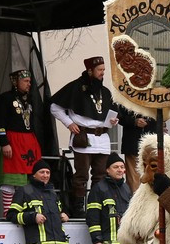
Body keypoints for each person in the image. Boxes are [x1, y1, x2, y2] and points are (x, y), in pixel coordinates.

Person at [50, 57, 119, 217]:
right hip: (83, 138)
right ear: (90, 71)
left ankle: (96, 206)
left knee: (100, 174)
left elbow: (112, 111)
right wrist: (68, 123)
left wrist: (114, 120)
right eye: (99, 70)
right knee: (81, 174)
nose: (103, 73)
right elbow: (54, 106)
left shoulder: (105, 91)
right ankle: (78, 208)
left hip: (102, 138)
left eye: (103, 69)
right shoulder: (75, 87)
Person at [0, 69, 42, 217]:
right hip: (13, 141)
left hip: (29, 142)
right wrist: (4, 141)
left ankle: (25, 211)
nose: (29, 84)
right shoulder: (5, 98)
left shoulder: (30, 99)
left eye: (29, 81)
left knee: (29, 179)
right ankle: (8, 212)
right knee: (11, 177)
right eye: (25, 81)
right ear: (16, 82)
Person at [116, 104, 156, 191]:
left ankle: (150, 202)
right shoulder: (126, 96)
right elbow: (119, 117)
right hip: (132, 142)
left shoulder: (155, 93)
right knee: (134, 180)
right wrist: (134, 121)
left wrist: (149, 122)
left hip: (152, 142)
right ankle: (136, 202)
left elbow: (162, 115)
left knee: (153, 176)